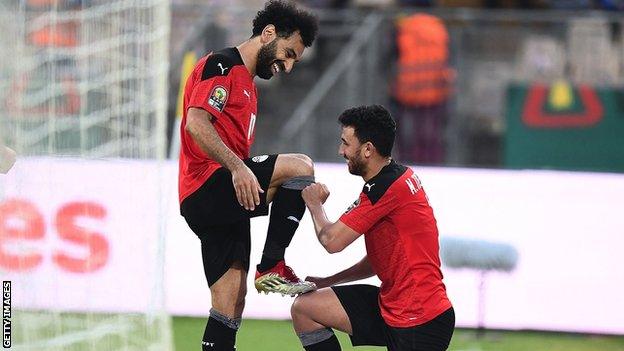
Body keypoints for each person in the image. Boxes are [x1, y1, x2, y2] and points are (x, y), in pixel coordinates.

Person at [177, 2, 318, 350]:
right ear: (268, 33)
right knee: (301, 167)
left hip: (223, 196)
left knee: (231, 305)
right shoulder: (222, 64)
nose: (286, 66)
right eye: (288, 54)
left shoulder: (250, 87)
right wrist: (239, 166)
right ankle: (271, 266)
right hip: (206, 184)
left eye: (293, 61)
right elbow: (197, 122)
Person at [292, 105, 455, 351]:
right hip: (392, 306)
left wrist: (314, 205)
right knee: (306, 308)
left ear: (367, 149)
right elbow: (380, 259)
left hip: (420, 320)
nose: (341, 151)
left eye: (346, 143)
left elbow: (331, 241)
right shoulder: (395, 179)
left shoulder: (384, 189)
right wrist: (329, 280)